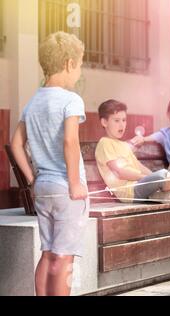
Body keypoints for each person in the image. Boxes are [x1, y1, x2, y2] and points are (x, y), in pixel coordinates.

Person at [11, 31, 89, 296]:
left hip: (43, 187)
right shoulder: (71, 100)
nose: (79, 72)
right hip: (67, 190)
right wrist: (75, 183)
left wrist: (33, 179)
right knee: (64, 258)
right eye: (79, 65)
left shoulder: (32, 102)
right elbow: (70, 142)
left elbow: (16, 144)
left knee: (47, 253)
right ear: (69, 63)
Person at [95, 99, 170, 203]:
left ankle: (163, 194)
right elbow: (120, 173)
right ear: (104, 122)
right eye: (117, 120)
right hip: (130, 191)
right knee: (163, 176)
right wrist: (152, 179)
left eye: (124, 120)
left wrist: (153, 177)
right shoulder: (105, 143)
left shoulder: (123, 145)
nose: (122, 124)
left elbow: (139, 166)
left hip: (141, 183)